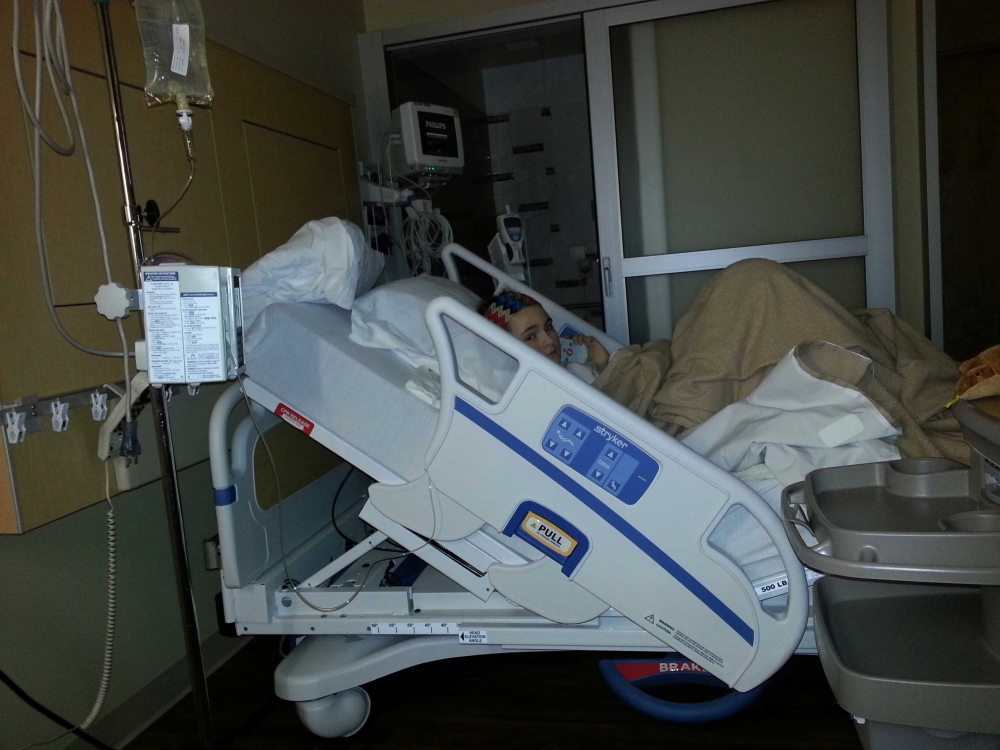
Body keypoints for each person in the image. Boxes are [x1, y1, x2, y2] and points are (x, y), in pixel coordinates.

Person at [479, 291, 608, 382]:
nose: (549, 340)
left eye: (548, 327)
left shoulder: (568, 369)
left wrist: (599, 363)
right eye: (530, 337)